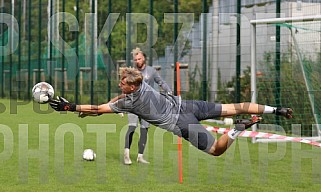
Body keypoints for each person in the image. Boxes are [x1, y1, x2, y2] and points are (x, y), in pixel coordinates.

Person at [49, 67, 293, 157]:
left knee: (216, 150)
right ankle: (276, 109)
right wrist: (83, 110)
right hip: (189, 105)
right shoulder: (142, 81)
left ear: (132, 85)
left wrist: (70, 107)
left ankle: (237, 130)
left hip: (183, 123)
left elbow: (99, 109)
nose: (120, 84)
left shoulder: (131, 103)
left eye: (123, 82)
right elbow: (109, 104)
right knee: (234, 106)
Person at [122, 48, 172, 165]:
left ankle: (140, 156)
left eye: (139, 58)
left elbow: (161, 82)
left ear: (144, 58)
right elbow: (125, 87)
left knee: (144, 130)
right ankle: (126, 155)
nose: (137, 61)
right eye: (135, 59)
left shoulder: (152, 71)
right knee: (132, 127)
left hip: (147, 106)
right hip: (133, 105)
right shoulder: (132, 73)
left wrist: (169, 92)